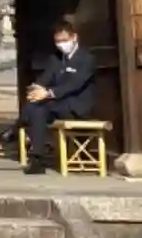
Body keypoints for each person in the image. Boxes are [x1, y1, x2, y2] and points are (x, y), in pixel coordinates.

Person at [18, 19, 96, 175]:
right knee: (36, 109)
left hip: (77, 106)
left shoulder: (87, 59)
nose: (61, 45)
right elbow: (45, 78)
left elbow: (75, 84)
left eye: (64, 40)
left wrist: (48, 93)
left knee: (37, 108)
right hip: (57, 105)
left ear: (74, 37)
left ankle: (14, 130)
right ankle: (37, 160)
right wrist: (37, 88)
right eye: (58, 42)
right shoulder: (55, 59)